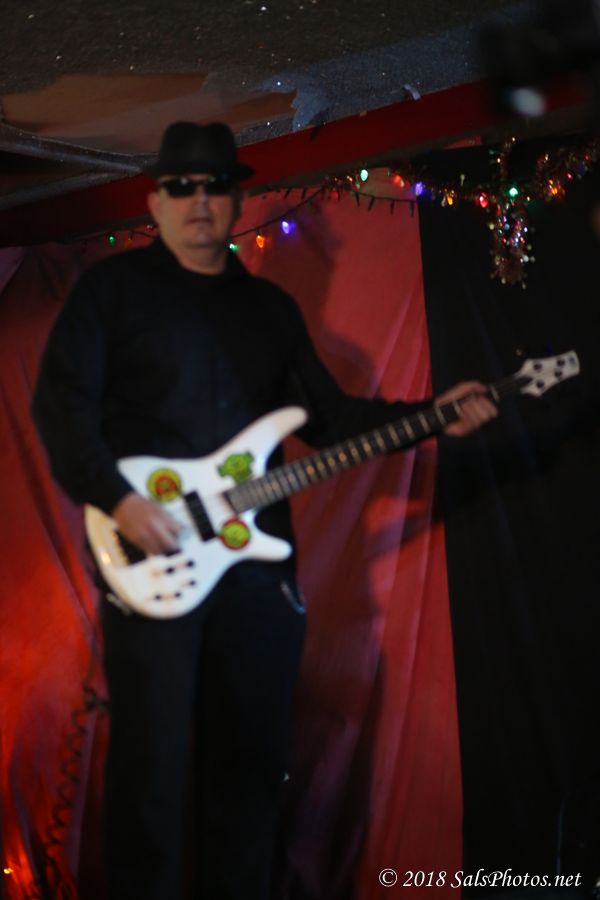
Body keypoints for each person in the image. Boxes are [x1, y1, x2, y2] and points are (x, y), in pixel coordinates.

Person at [31, 121, 497, 900]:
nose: (199, 199)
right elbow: (60, 407)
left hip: (255, 573)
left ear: (237, 199)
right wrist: (118, 500)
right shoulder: (113, 295)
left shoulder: (270, 310)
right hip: (154, 556)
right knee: (152, 769)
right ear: (156, 201)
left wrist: (432, 415)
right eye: (181, 186)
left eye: (214, 184)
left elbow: (330, 420)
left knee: (250, 768)